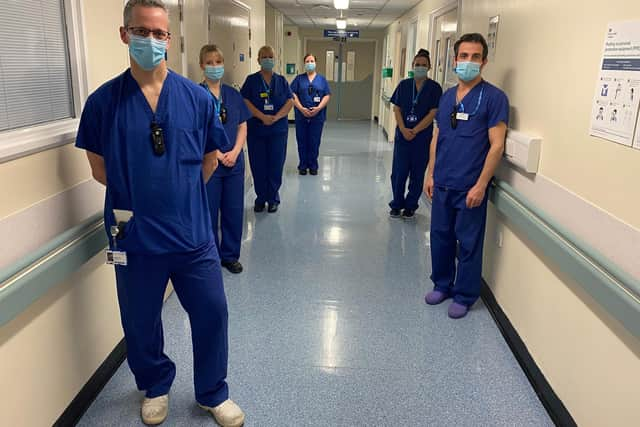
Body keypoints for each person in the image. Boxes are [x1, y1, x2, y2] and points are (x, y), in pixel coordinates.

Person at [74, 1, 244, 425]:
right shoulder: (103, 103)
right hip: (133, 235)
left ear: (169, 38)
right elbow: (99, 168)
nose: (152, 41)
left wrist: (177, 195)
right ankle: (155, 384)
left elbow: (210, 158)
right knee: (140, 318)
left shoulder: (196, 99)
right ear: (124, 34)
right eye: (142, 31)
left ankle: (211, 391)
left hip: (191, 232)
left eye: (159, 34)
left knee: (212, 311)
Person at [423, 33, 509, 319]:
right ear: (454, 59)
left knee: (469, 243)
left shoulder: (494, 98)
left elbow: (497, 145)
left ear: (483, 62)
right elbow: (438, 137)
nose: (468, 62)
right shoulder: (447, 97)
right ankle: (442, 284)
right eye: (463, 56)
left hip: (470, 185)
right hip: (444, 181)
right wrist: (430, 172)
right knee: (440, 237)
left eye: (475, 57)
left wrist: (481, 184)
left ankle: (465, 294)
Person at [199, 45, 252, 274]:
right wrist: (217, 154)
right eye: (209, 62)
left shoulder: (233, 94)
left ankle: (230, 255)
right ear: (202, 66)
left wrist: (236, 151)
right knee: (208, 212)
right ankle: (210, 257)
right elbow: (195, 131)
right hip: (210, 164)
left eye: (218, 62)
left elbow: (242, 125)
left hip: (234, 162)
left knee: (233, 211)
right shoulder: (196, 95)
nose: (214, 67)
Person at [388, 49, 442, 219]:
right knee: (399, 172)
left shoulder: (434, 88)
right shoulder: (404, 85)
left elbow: (433, 112)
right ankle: (396, 204)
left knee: (417, 174)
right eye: (417, 65)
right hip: (403, 137)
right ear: (412, 66)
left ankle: (411, 205)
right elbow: (397, 108)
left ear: (429, 67)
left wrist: (416, 129)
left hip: (422, 138)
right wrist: (403, 129)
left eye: (423, 65)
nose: (420, 67)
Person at [241, 45, 294, 213]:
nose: (267, 59)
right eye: (264, 57)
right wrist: (262, 117)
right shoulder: (251, 81)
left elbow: (290, 101)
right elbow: (245, 101)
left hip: (277, 130)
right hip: (257, 129)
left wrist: (276, 117)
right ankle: (260, 197)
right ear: (258, 60)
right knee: (258, 164)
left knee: (275, 164)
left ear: (274, 59)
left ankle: (273, 198)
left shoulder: (281, 81)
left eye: (270, 56)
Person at [290, 53, 331, 175]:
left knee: (314, 141)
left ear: (316, 63)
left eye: (312, 61)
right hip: (301, 115)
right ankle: (302, 165)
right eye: (307, 61)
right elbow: (292, 94)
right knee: (302, 140)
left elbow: (327, 95)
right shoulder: (299, 79)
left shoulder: (322, 80)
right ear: (304, 64)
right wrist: (301, 108)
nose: (310, 63)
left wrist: (318, 108)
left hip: (317, 116)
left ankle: (313, 165)